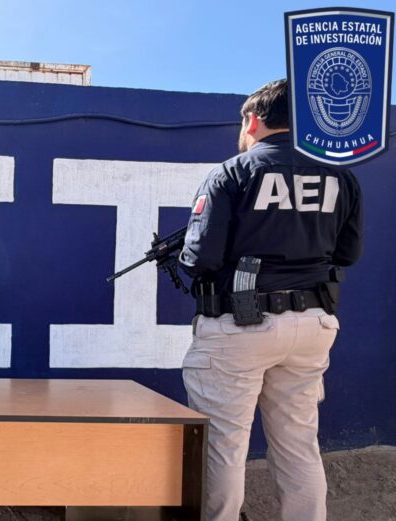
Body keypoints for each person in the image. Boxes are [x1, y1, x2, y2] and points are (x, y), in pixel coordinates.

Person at [178, 79, 363, 521]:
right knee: (299, 445)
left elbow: (199, 259)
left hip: (240, 326)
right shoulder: (342, 175)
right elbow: (348, 253)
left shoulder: (232, 171)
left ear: (253, 119)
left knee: (222, 446)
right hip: (312, 326)